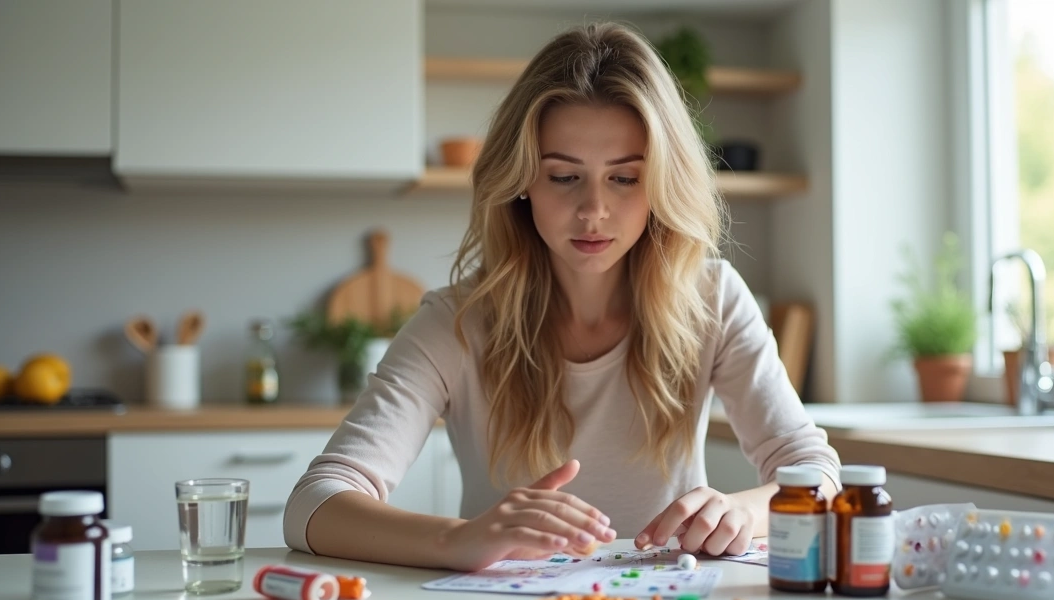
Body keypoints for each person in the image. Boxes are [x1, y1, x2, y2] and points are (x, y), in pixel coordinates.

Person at [284, 22, 840, 572]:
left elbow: (815, 472)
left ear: (661, 183)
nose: (593, 210)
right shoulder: (456, 322)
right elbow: (314, 504)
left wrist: (741, 509)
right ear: (522, 180)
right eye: (563, 177)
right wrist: (459, 540)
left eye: (624, 179)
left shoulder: (713, 298)